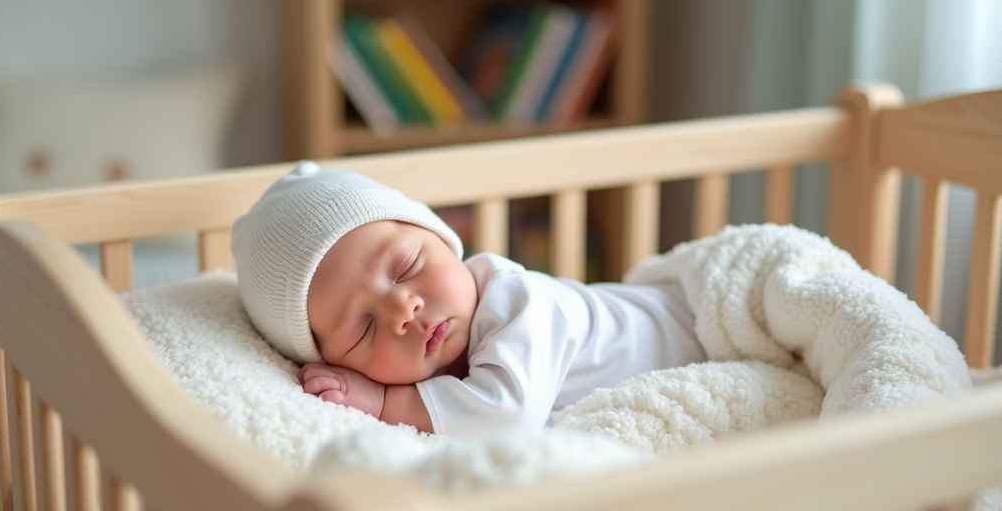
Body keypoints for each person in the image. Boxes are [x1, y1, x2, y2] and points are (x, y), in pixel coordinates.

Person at [231, 161, 706, 435]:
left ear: (442, 237)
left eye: (406, 268)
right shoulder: (442, 369)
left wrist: (383, 404)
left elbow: (507, 415)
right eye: (363, 328)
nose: (403, 310)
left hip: (695, 326)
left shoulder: (520, 304)